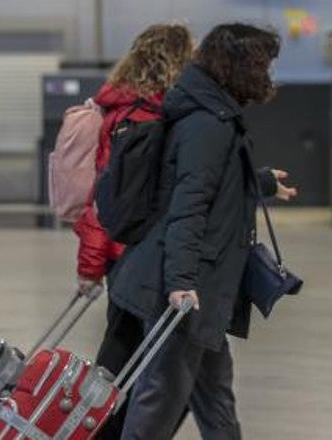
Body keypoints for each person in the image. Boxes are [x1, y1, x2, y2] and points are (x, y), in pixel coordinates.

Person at [110, 23, 297, 440]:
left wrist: (261, 183)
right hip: (186, 287)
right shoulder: (207, 123)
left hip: (204, 290)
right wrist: (179, 282)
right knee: (157, 402)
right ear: (235, 66)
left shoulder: (212, 113)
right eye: (261, 65)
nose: (267, 75)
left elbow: (213, 183)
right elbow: (188, 206)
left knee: (216, 403)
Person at [72, 23, 194, 440]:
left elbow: (99, 202)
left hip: (120, 260)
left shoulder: (118, 109)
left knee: (122, 362)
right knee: (148, 368)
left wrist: (92, 267)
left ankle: (96, 430)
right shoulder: (152, 117)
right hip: (143, 258)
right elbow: (107, 198)